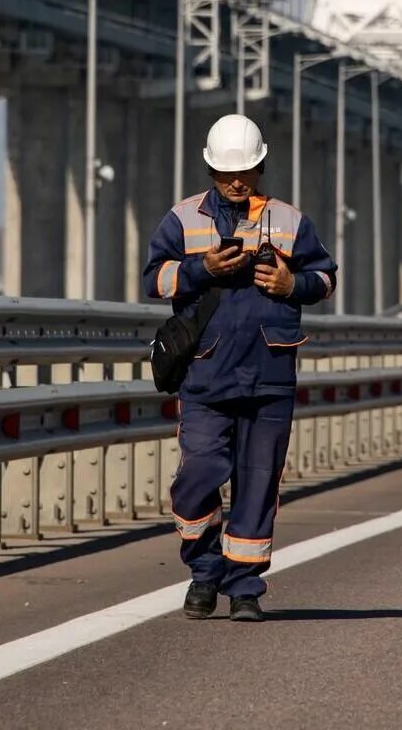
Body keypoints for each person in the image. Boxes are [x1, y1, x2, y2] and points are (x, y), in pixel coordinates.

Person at [143, 114, 337, 622]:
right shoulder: (182, 220)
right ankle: (204, 569)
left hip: (269, 373)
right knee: (199, 472)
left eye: (246, 171)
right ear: (210, 169)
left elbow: (325, 278)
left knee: (258, 482)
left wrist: (292, 285)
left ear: (261, 166)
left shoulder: (291, 221)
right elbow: (154, 280)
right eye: (228, 172)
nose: (236, 181)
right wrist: (198, 269)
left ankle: (244, 586)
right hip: (206, 374)